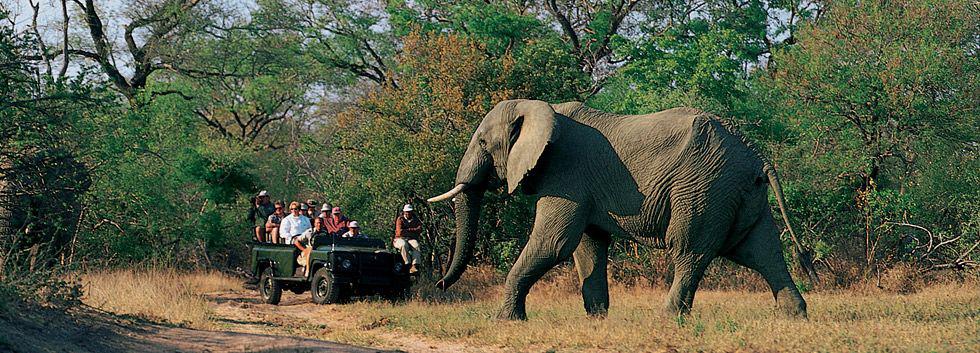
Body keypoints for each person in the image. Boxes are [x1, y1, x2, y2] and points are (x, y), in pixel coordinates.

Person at [394, 204, 423, 273]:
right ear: (404, 212)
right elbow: (400, 232)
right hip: (399, 238)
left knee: (416, 246)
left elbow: (419, 230)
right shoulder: (400, 219)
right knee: (403, 245)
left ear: (412, 212)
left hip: (411, 239)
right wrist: (413, 231)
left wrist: (407, 230)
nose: (408, 213)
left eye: (409, 211)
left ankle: (415, 265)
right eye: (406, 212)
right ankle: (408, 263)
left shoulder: (416, 219)